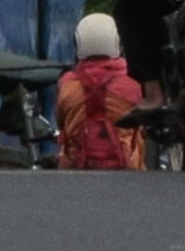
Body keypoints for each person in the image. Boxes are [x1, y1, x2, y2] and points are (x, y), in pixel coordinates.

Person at [57, 12, 147, 171]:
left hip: (74, 170)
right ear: (118, 42)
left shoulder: (67, 87)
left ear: (77, 44)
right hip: (128, 169)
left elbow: (61, 123)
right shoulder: (133, 85)